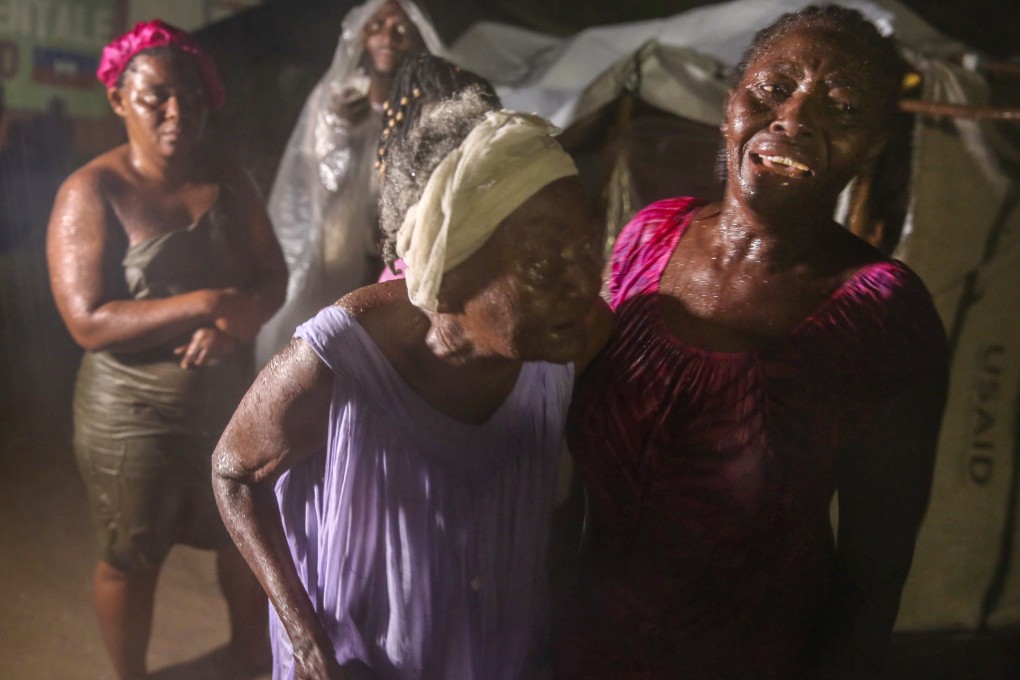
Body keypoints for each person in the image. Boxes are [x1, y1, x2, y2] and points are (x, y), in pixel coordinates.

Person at [557, 6, 950, 679]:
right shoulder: (649, 236)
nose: (794, 118)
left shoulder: (885, 311)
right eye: (773, 88)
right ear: (729, 104)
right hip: (580, 647)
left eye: (843, 106)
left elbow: (874, 575)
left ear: (872, 147)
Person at [212, 88, 610, 680]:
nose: (585, 284)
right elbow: (232, 471)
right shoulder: (342, 357)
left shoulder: (582, 338)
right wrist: (306, 640)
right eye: (547, 266)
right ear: (448, 277)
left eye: (588, 248)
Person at [46, 20, 287, 680]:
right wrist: (208, 301)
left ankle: (250, 659)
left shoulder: (231, 182)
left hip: (225, 400)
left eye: (191, 98)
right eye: (156, 97)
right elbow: (88, 321)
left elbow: (272, 276)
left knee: (244, 537)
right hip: (131, 411)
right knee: (131, 556)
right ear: (120, 99)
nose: (176, 113)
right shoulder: (91, 192)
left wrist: (235, 323)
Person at [255, 0, 445, 365]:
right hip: (338, 254)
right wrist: (340, 132)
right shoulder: (337, 99)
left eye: (400, 30)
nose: (387, 39)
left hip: (403, 253)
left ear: (420, 39)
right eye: (375, 27)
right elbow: (313, 178)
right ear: (359, 36)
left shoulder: (431, 109)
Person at [375, 53, 502, 282]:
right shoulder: (401, 280)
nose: (454, 153)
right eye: (431, 143)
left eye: (471, 133)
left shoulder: (526, 214)